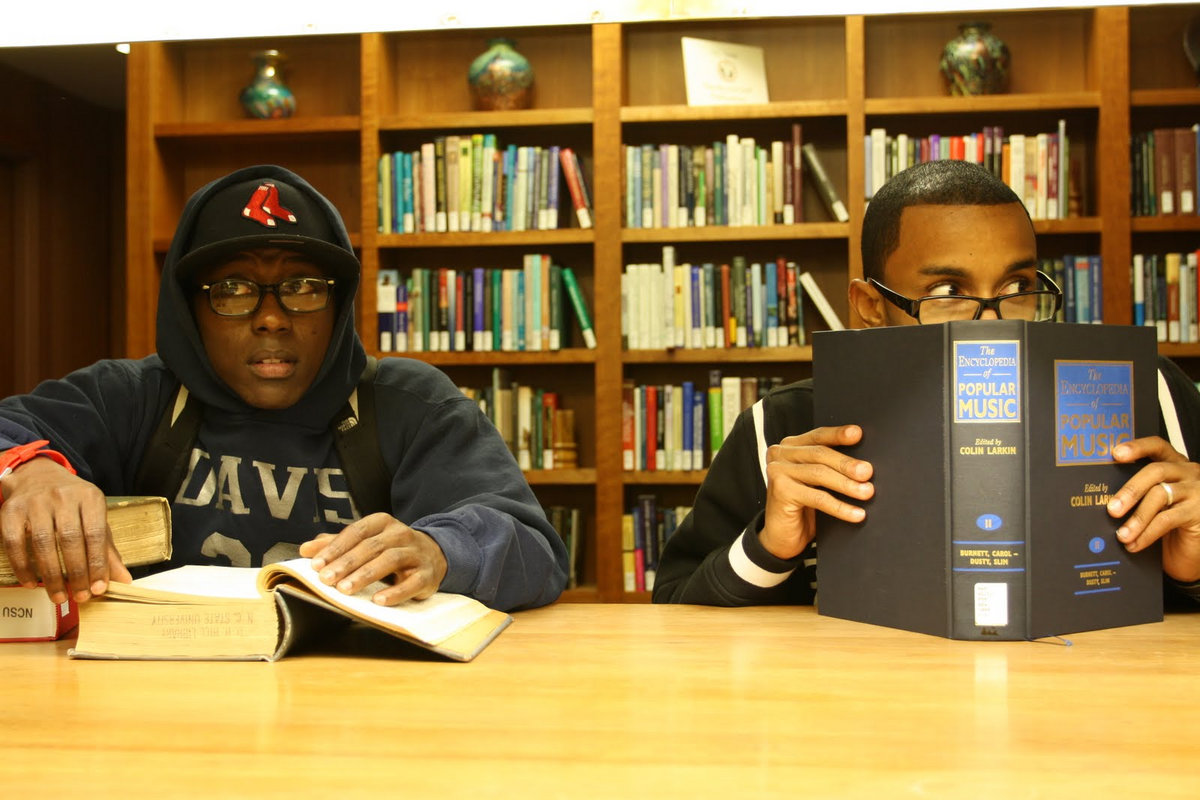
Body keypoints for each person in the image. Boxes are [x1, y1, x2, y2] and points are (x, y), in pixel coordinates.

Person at [0, 164, 567, 612]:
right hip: (162, 691)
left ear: (339, 304)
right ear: (189, 311)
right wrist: (32, 471)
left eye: (302, 286)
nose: (271, 319)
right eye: (232, 289)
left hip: (363, 697)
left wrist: (443, 550)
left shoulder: (409, 404)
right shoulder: (130, 398)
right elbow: (12, 427)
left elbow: (534, 549)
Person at [652, 158, 1200, 606]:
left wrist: (1195, 565)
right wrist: (769, 547)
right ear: (870, 306)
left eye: (1017, 286)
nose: (993, 324)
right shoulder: (782, 426)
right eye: (946, 293)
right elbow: (674, 606)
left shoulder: (1151, 394)